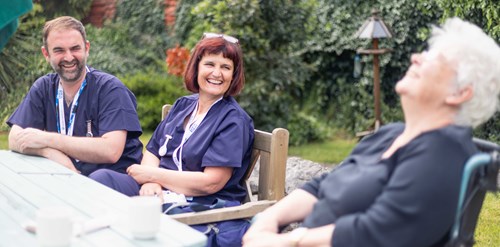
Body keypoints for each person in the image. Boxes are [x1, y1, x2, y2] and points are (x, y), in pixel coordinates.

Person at [243, 17, 500, 247]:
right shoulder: (390, 133)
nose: (416, 58)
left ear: (460, 93)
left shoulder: (444, 156)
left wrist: (288, 241)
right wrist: (269, 218)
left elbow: (374, 233)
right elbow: (322, 186)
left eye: (435, 58)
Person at [89, 32, 253, 218]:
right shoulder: (183, 105)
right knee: (101, 179)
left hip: (200, 204)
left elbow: (211, 183)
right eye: (210, 64)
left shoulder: (233, 120)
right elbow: (153, 150)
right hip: (160, 191)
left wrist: (152, 176)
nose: (217, 73)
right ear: (196, 67)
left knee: (136, 217)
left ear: (234, 75)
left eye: (226, 67)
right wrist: (151, 184)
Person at [6, 16, 143, 176]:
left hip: (114, 182)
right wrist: (50, 153)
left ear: (87, 48)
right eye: (59, 50)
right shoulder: (43, 87)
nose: (69, 57)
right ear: (46, 54)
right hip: (68, 179)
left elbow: (111, 151)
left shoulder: (110, 89)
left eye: (75, 48)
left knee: (99, 178)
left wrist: (47, 139)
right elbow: (14, 138)